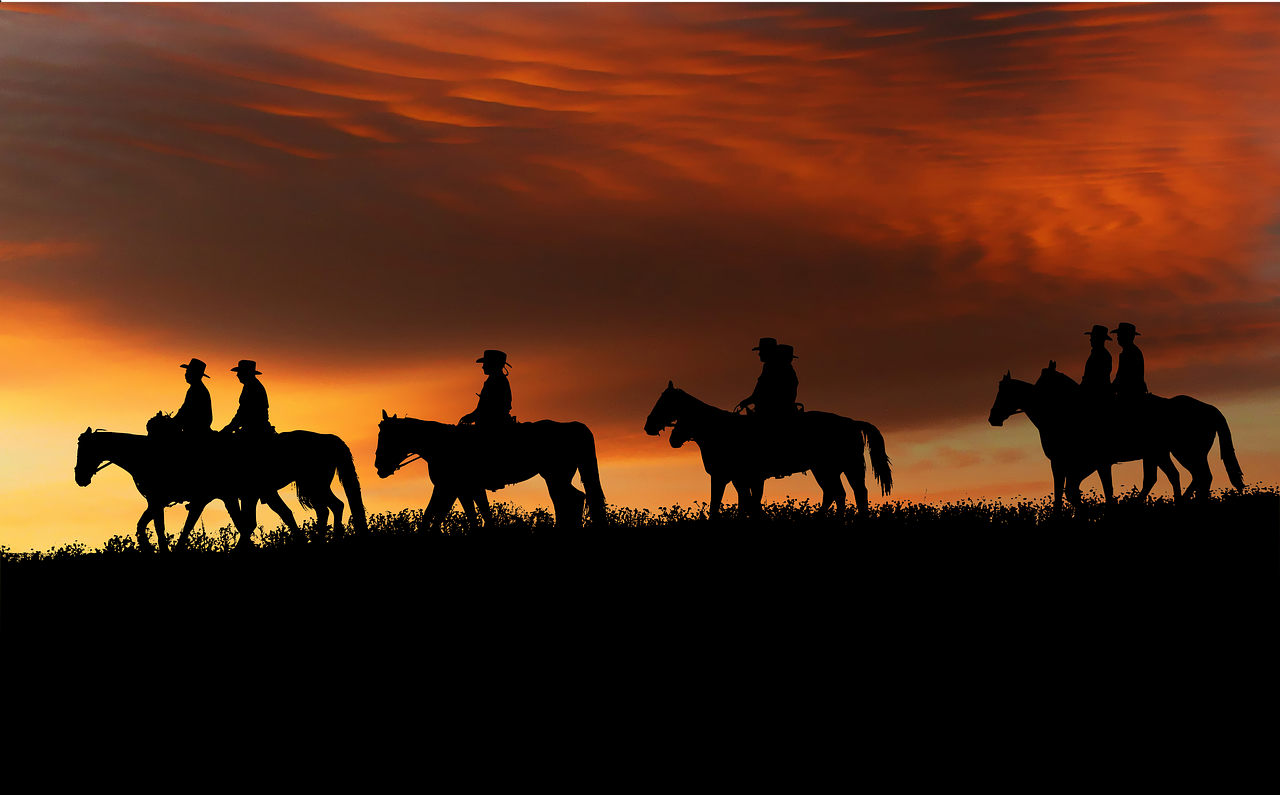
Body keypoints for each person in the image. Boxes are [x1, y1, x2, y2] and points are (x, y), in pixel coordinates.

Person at [736, 338, 799, 416]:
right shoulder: (787, 370)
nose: (759, 354)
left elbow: (760, 392)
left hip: (770, 412)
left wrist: (746, 402)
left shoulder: (771, 368)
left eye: (761, 351)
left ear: (769, 351)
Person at [459, 350, 513, 426]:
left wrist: (471, 417)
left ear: (493, 364)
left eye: (485, 363)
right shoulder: (498, 380)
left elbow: (486, 408)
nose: (483, 366)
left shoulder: (494, 382)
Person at [221, 360, 273, 435]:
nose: (237, 375)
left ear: (245, 373)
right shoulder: (252, 385)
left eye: (239, 372)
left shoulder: (252, 387)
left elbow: (244, 411)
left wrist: (228, 428)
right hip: (256, 427)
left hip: (254, 429)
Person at [174, 358, 213, 434]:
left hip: (196, 430)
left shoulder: (197, 390)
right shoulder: (197, 388)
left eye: (188, 371)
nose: (185, 374)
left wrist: (172, 422)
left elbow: (186, 410)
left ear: (195, 374)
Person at [1111, 323, 1148, 396]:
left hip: (1130, 393)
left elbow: (1122, 376)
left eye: (1120, 335)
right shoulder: (1132, 351)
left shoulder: (1130, 353)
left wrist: (1111, 389)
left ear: (1127, 336)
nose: (1117, 338)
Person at [1081, 325, 1113, 395]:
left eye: (1093, 337)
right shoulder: (1100, 354)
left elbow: (1098, 377)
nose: (1091, 340)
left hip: (1098, 392)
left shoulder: (1102, 355)